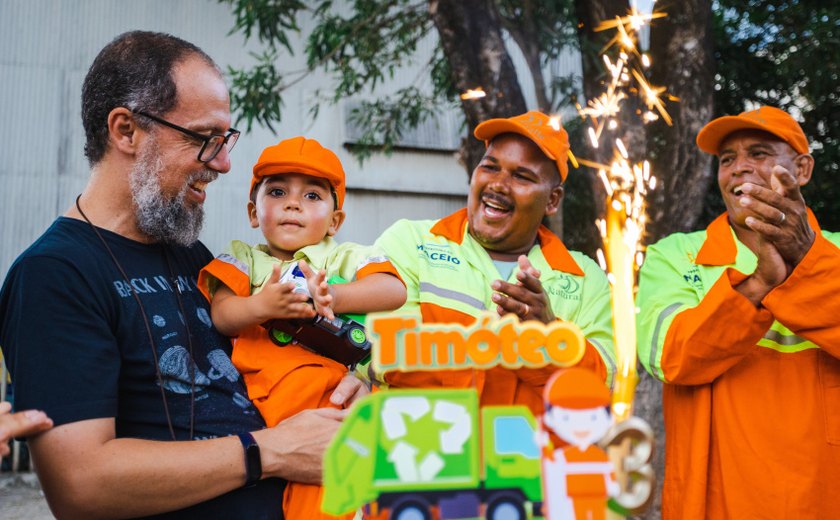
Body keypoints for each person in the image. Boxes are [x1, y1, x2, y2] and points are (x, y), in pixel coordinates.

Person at [0, 31, 366, 519]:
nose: (223, 162)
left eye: (226, 139)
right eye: (205, 138)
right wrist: (273, 451)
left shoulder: (191, 254)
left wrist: (345, 386)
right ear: (126, 131)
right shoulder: (54, 274)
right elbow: (81, 485)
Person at [637, 106, 840, 518]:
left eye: (759, 153)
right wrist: (759, 285)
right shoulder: (675, 255)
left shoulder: (835, 251)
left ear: (801, 169)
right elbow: (669, 358)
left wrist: (805, 259)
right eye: (727, 159)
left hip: (823, 496)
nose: (738, 169)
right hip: (715, 499)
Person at [198, 135, 406, 519]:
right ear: (253, 213)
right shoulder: (243, 260)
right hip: (260, 394)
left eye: (312, 196)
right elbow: (222, 315)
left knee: (324, 495)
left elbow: (393, 289)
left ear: (335, 220)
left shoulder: (344, 256)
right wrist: (263, 305)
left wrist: (331, 297)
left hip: (326, 394)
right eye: (277, 191)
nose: (293, 203)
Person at [375, 110, 616, 415]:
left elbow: (596, 391)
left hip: (529, 461)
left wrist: (548, 334)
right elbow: (381, 353)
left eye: (522, 176)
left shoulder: (585, 278)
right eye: (490, 167)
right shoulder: (411, 242)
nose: (499, 185)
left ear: (552, 200)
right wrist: (518, 355)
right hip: (421, 455)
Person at [539, 368, 618, 520]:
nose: (581, 426)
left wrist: (613, 485)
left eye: (593, 417)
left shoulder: (597, 455)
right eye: (568, 418)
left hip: (597, 495)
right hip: (572, 497)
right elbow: (551, 464)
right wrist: (542, 445)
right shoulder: (566, 454)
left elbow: (608, 470)